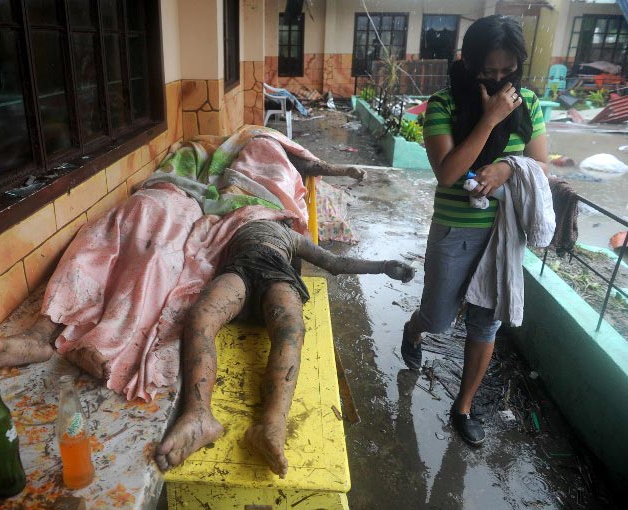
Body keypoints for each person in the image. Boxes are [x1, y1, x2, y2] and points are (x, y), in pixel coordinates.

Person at [154, 219, 414, 477]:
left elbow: (335, 264)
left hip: (275, 270)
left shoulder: (291, 236)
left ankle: (272, 424)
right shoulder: (240, 221)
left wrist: (383, 266)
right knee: (201, 317)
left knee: (291, 330)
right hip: (241, 268)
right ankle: (198, 415)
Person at [399, 15, 548, 446]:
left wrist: (507, 167)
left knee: (486, 325)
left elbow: (542, 167)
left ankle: (462, 406)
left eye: (507, 71)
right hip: (455, 231)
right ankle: (415, 328)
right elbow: (448, 173)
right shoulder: (443, 103)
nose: (500, 80)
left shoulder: (530, 105)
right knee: (439, 318)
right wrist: (489, 118)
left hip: (504, 235)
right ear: (469, 62)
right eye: (489, 70)